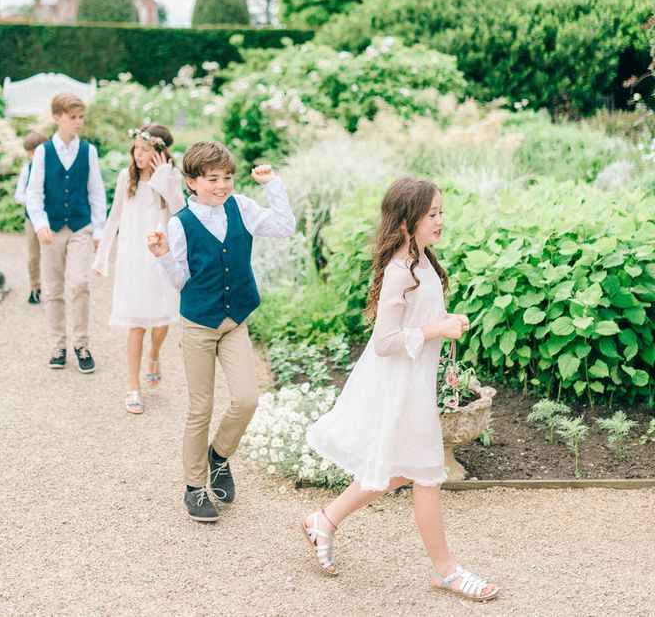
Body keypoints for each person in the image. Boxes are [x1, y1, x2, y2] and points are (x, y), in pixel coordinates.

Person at [301, 176, 499, 602]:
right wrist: (438, 328)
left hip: (415, 385)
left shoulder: (424, 260)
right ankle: (445, 571)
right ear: (407, 222)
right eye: (433, 214)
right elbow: (386, 342)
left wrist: (446, 325)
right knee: (427, 476)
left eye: (441, 211)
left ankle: (324, 520)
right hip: (401, 388)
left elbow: (417, 324)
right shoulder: (398, 270)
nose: (441, 220)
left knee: (397, 471)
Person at [147, 141, 295, 522]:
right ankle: (195, 487)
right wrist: (163, 255)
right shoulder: (179, 223)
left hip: (235, 322)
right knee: (201, 407)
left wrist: (272, 185)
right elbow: (181, 281)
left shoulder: (242, 207)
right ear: (193, 182)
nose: (222, 185)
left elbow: (285, 226)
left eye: (227, 177)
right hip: (198, 324)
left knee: (247, 399)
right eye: (212, 179)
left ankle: (219, 456)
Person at [93, 123, 185, 414]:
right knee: (135, 324)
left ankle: (155, 354)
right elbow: (114, 217)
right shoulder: (126, 177)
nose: (138, 155)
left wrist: (163, 178)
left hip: (159, 257)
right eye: (136, 149)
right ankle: (133, 386)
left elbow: (181, 212)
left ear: (159, 152)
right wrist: (102, 257)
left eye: (145, 150)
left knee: (159, 323)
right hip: (132, 258)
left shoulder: (170, 177)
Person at [25, 92, 106, 374]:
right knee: (53, 289)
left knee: (80, 283)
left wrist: (99, 232)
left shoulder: (89, 151)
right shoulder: (44, 152)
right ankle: (58, 345)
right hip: (52, 229)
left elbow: (96, 194)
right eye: (73, 117)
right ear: (57, 118)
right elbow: (33, 193)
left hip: (81, 227)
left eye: (81, 117)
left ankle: (82, 344)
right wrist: (40, 223)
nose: (79, 122)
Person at [14, 131, 49, 305]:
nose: (32, 155)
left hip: (51, 217)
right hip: (32, 218)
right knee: (33, 256)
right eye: (30, 152)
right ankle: (35, 288)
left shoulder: (53, 168)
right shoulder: (27, 170)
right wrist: (33, 200)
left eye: (35, 151)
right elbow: (19, 194)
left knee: (53, 255)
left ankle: (54, 289)